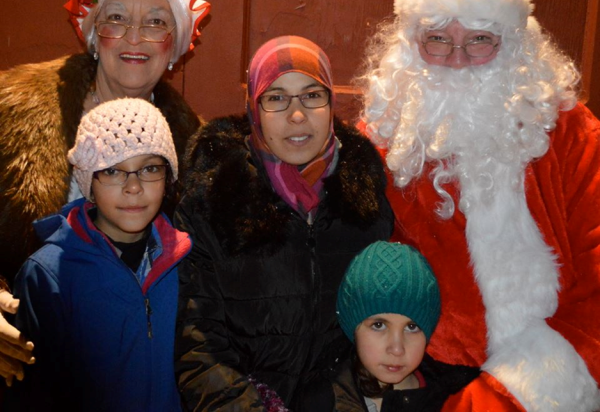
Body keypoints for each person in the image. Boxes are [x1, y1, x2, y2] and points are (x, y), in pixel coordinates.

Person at [360, 0, 600, 412]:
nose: (455, 59)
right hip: (412, 373)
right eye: (437, 39)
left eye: (479, 40)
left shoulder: (573, 135)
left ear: (513, 47)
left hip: (546, 384)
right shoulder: (387, 134)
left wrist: (503, 399)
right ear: (412, 46)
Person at [0, 0, 209, 386]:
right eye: (117, 19)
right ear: (94, 33)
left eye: (155, 22)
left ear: (175, 46)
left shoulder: (198, 153)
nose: (136, 38)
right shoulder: (12, 111)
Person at [174, 35, 394, 410]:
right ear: (254, 110)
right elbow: (198, 346)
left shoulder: (366, 206)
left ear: (331, 104)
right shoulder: (212, 204)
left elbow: (372, 337)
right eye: (276, 98)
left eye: (312, 95)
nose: (297, 115)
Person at [4, 98, 192, 411]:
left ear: (167, 176)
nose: (133, 187)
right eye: (113, 171)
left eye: (149, 168)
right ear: (89, 182)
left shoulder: (187, 260)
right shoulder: (48, 276)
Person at [300, 241, 479, 411]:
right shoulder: (321, 401)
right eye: (378, 325)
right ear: (353, 329)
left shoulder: (459, 399)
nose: (397, 349)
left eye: (411, 327)